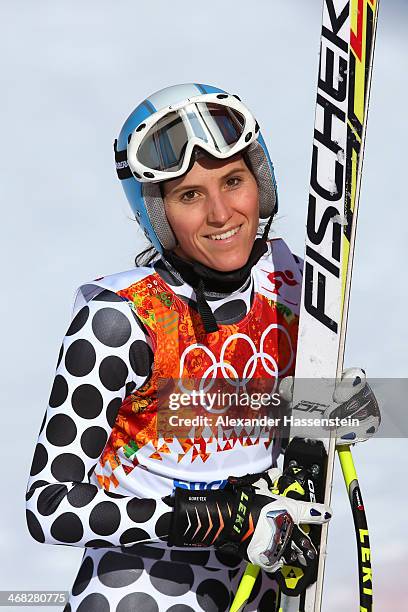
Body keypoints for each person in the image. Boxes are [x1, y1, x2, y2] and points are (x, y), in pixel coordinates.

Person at [25, 83, 380, 612]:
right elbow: (50, 509)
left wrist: (341, 407)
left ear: (261, 183)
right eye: (190, 195)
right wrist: (206, 517)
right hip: (143, 583)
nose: (221, 214)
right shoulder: (119, 320)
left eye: (234, 181)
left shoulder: (293, 288)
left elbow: (253, 411)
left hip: (267, 578)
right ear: (157, 213)